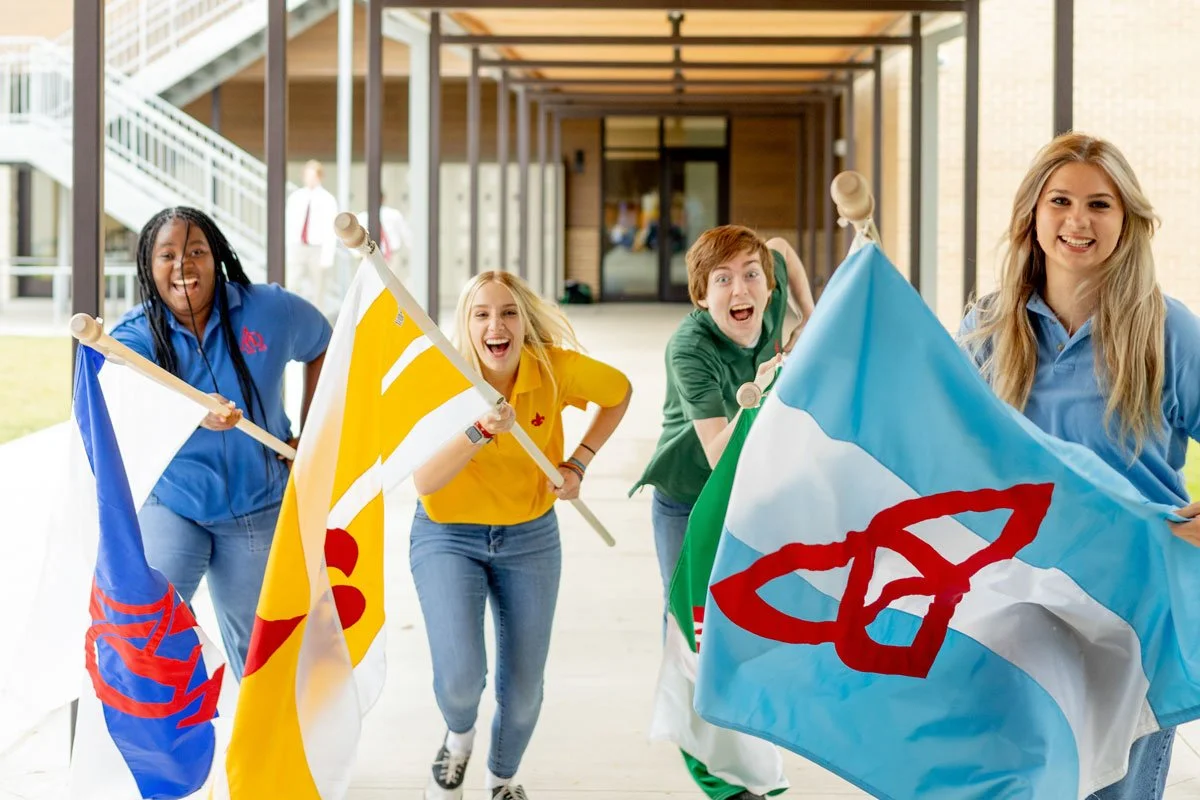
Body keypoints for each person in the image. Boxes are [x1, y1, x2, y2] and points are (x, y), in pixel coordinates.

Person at [958, 132, 1200, 800]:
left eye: (1101, 204)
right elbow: (938, 447)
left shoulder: (1167, 331)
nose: (1078, 220)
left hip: (1132, 618)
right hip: (1013, 610)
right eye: (1060, 200)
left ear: (1128, 221)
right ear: (1032, 216)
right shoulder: (985, 328)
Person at [410, 271, 631, 800]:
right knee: (462, 681)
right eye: (481, 313)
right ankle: (458, 738)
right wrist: (481, 429)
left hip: (529, 535)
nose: (496, 325)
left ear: (524, 320)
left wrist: (578, 461)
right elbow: (425, 481)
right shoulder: (442, 374)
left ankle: (503, 778)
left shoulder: (552, 368)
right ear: (466, 324)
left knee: (525, 690)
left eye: (508, 312)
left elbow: (619, 393)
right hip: (448, 534)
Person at [630, 225, 815, 800]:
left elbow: (782, 248)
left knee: (756, 624)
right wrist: (761, 389)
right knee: (695, 637)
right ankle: (720, 783)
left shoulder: (771, 285)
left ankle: (753, 754)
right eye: (723, 280)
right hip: (691, 500)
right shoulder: (689, 348)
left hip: (755, 493)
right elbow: (716, 454)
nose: (742, 289)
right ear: (701, 296)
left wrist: (806, 314)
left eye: (750, 276)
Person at [110, 206, 331, 679]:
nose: (183, 265)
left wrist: (311, 433)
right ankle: (175, 739)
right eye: (166, 255)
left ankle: (257, 751)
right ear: (149, 268)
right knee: (143, 634)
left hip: (258, 504)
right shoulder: (135, 334)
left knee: (262, 660)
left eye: (196, 251)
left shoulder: (268, 309)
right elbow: (125, 392)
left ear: (217, 257)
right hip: (175, 503)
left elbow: (324, 344)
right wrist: (189, 408)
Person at [285, 159, 339, 312]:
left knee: (319, 287)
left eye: (313, 176)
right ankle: (292, 313)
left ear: (320, 177)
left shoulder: (327, 199)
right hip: (298, 246)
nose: (310, 179)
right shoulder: (296, 197)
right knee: (293, 283)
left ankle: (318, 318)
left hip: (317, 247)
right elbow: (290, 223)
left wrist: (327, 256)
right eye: (307, 176)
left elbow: (331, 228)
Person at [356, 193, 412, 281]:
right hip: (371, 257)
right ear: (384, 198)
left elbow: (407, 236)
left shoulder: (394, 215)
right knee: (386, 286)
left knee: (385, 286)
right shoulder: (362, 217)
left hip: (391, 256)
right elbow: (407, 237)